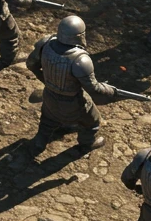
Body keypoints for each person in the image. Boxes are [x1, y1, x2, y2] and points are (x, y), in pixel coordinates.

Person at [27, 16, 117, 154]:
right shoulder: (81, 60)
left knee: (47, 119)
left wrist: (45, 79)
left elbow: (31, 64)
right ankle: (87, 143)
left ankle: (39, 142)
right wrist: (111, 91)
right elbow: (93, 88)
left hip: (49, 94)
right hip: (72, 101)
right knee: (92, 122)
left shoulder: (45, 44)